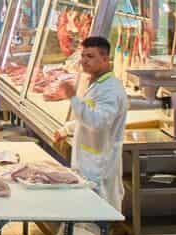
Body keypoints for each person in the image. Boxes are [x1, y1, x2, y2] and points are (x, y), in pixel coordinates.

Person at [55, 36, 128, 212]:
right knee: (84, 219)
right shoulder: (96, 84)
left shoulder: (110, 90)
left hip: (99, 166)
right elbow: (89, 115)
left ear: (105, 59)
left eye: (91, 56)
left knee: (96, 222)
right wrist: (67, 129)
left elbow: (98, 122)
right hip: (88, 163)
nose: (84, 61)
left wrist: (73, 98)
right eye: (83, 56)